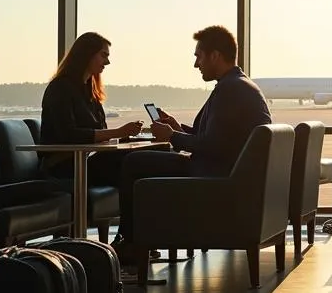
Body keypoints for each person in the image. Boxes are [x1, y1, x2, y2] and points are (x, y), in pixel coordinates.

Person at [113, 25, 271, 266]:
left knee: (134, 163)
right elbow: (218, 137)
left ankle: (131, 243)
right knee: (144, 161)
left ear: (215, 55)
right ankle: (136, 241)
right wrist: (177, 128)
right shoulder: (240, 85)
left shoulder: (229, 90)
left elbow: (212, 145)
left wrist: (173, 136)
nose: (196, 64)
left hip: (214, 176)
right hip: (229, 172)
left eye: (198, 56)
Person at [40, 32, 143, 186]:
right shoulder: (60, 89)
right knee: (135, 163)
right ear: (86, 54)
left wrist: (125, 135)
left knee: (143, 157)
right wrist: (119, 132)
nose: (107, 62)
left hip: (87, 160)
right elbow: (69, 134)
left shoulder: (90, 92)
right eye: (103, 55)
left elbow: (100, 132)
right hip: (66, 166)